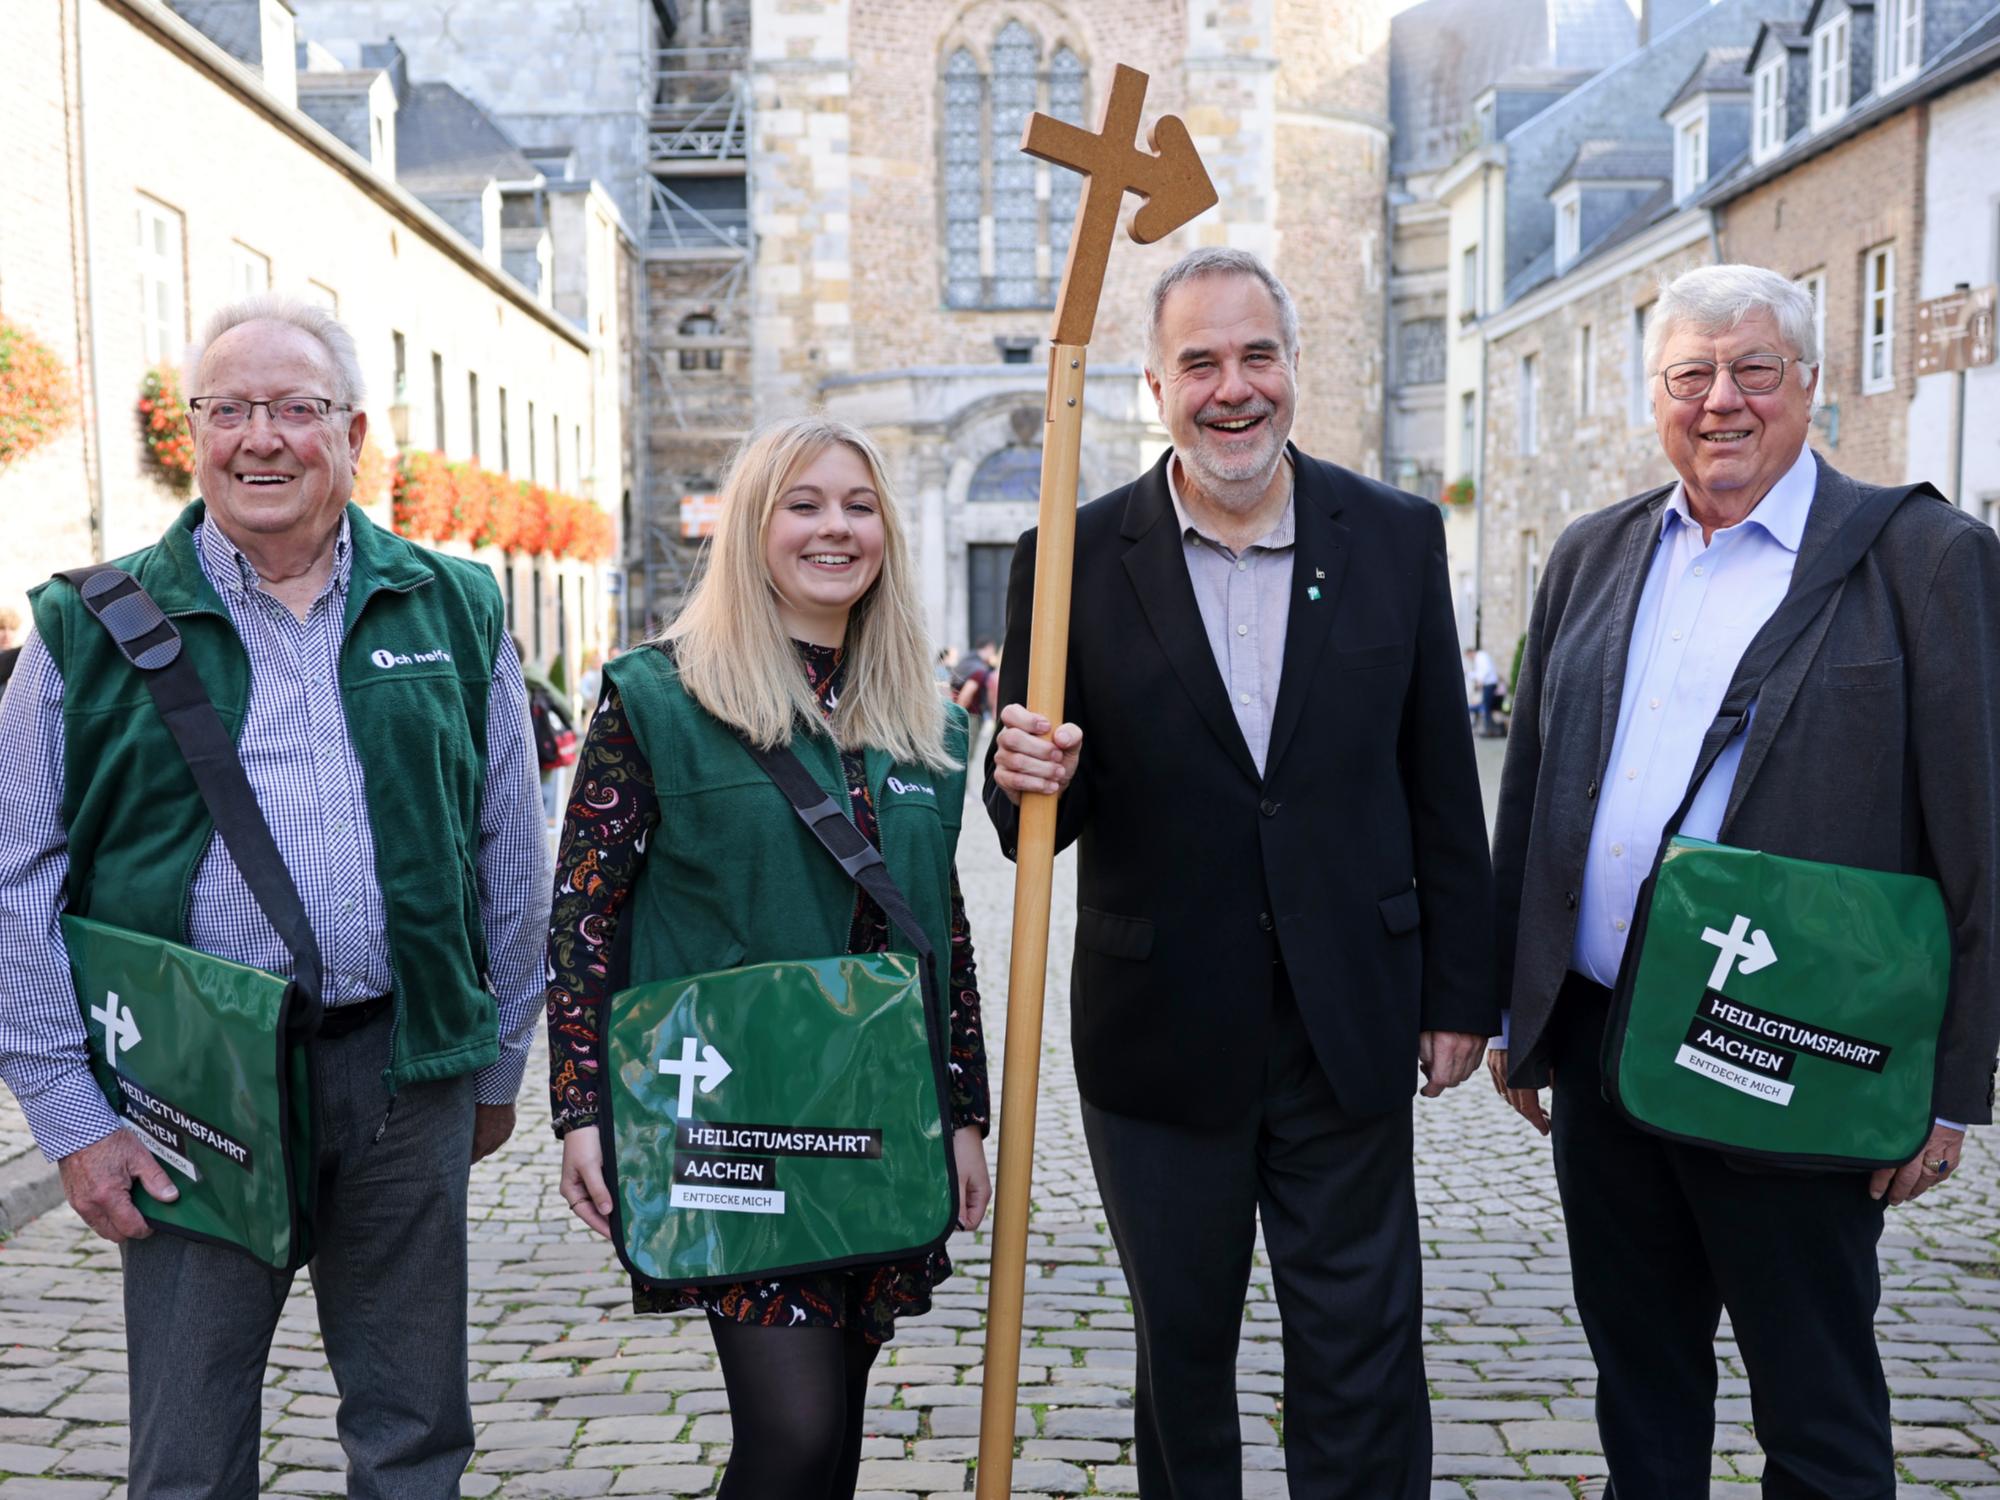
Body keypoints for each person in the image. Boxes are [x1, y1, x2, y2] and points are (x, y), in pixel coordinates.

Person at [0, 294, 548, 1496]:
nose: (261, 437)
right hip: (193, 1085)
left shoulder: (450, 606)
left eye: (295, 409)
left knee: (413, 1436)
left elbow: (512, 849)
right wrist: (71, 1116)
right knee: (188, 1454)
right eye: (227, 408)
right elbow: (13, 876)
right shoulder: (84, 628)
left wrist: (495, 1063)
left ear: (352, 432)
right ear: (190, 432)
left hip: (405, 1072)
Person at [985, 247, 1495, 1498]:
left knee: (1361, 1353)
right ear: (1153, 386)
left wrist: (1458, 993)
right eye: (1199, 362)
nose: (1232, 389)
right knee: (1183, 1355)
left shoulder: (1389, 538)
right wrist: (1026, 777)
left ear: (1292, 370)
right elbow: (1040, 829)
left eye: (1255, 355)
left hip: (1348, 1017)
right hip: (1158, 1029)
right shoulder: (1067, 559)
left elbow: (1439, 776)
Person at [1488, 263, 2000, 1495]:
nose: (1720, 400)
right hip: (1611, 1050)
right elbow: (1537, 790)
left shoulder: (1924, 559)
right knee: (1641, 1397)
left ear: (1808, 387)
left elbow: (1981, 838)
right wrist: (1518, 1006)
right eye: (1689, 376)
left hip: (1801, 1053)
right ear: (1653, 398)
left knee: (1816, 1412)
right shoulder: (1591, 554)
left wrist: (1953, 1089)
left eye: (1752, 370)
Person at [546, 415, 992, 1500]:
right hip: (736, 1123)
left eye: (857, 504)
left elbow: (942, 920)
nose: (833, 528)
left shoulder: (922, 717)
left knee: (834, 1423)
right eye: (803, 504)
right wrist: (581, 1109)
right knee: (791, 1432)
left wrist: (963, 1113)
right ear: (753, 528)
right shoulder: (658, 698)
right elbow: (584, 917)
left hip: (880, 1119)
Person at [1463, 644, 1503, 736]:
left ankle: (1489, 729)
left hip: (1489, 684)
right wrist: (1468, 674)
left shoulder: (1481, 656)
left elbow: (1486, 669)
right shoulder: (1479, 658)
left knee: (1486, 707)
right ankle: (1489, 728)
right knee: (1486, 707)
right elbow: (1478, 673)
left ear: (1470, 653)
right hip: (1487, 684)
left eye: (1468, 656)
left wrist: (1481, 680)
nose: (1469, 659)